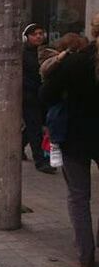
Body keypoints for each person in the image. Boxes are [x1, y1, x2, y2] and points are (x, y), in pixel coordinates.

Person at [40, 15, 99, 267]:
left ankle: (86, 255)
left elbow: (45, 96)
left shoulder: (75, 62)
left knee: (78, 196)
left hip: (75, 136)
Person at [39, 33, 90, 168]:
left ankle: (54, 144)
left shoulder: (71, 63)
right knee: (55, 117)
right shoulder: (56, 59)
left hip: (71, 111)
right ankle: (54, 144)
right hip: (63, 103)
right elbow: (45, 70)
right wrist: (58, 59)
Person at [22, 23, 54, 174]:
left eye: (41, 33)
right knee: (35, 127)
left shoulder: (46, 52)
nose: (38, 36)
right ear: (27, 37)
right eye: (35, 34)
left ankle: (19, 145)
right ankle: (40, 161)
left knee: (34, 126)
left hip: (44, 95)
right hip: (29, 96)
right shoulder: (22, 53)